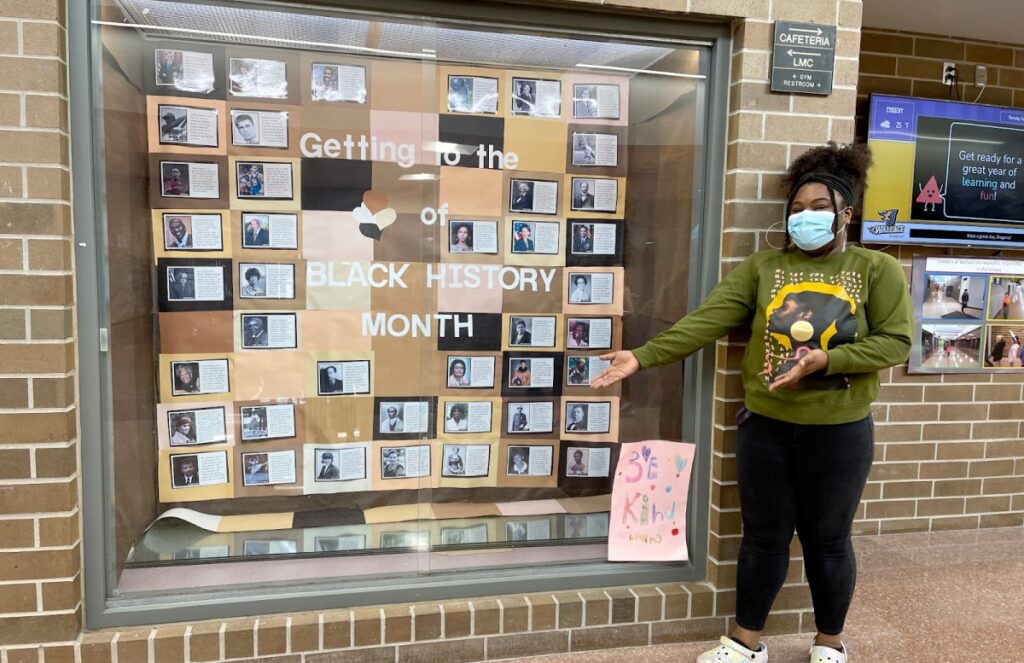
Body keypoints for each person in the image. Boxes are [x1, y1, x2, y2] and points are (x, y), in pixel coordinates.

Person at [591, 142, 912, 663]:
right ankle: (745, 642)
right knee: (763, 537)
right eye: (797, 208)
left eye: (819, 207)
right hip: (766, 428)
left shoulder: (876, 269)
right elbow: (707, 320)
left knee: (829, 540)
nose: (805, 216)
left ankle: (829, 642)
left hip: (839, 431)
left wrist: (827, 360)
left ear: (846, 214)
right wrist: (643, 356)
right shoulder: (764, 267)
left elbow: (896, 343)